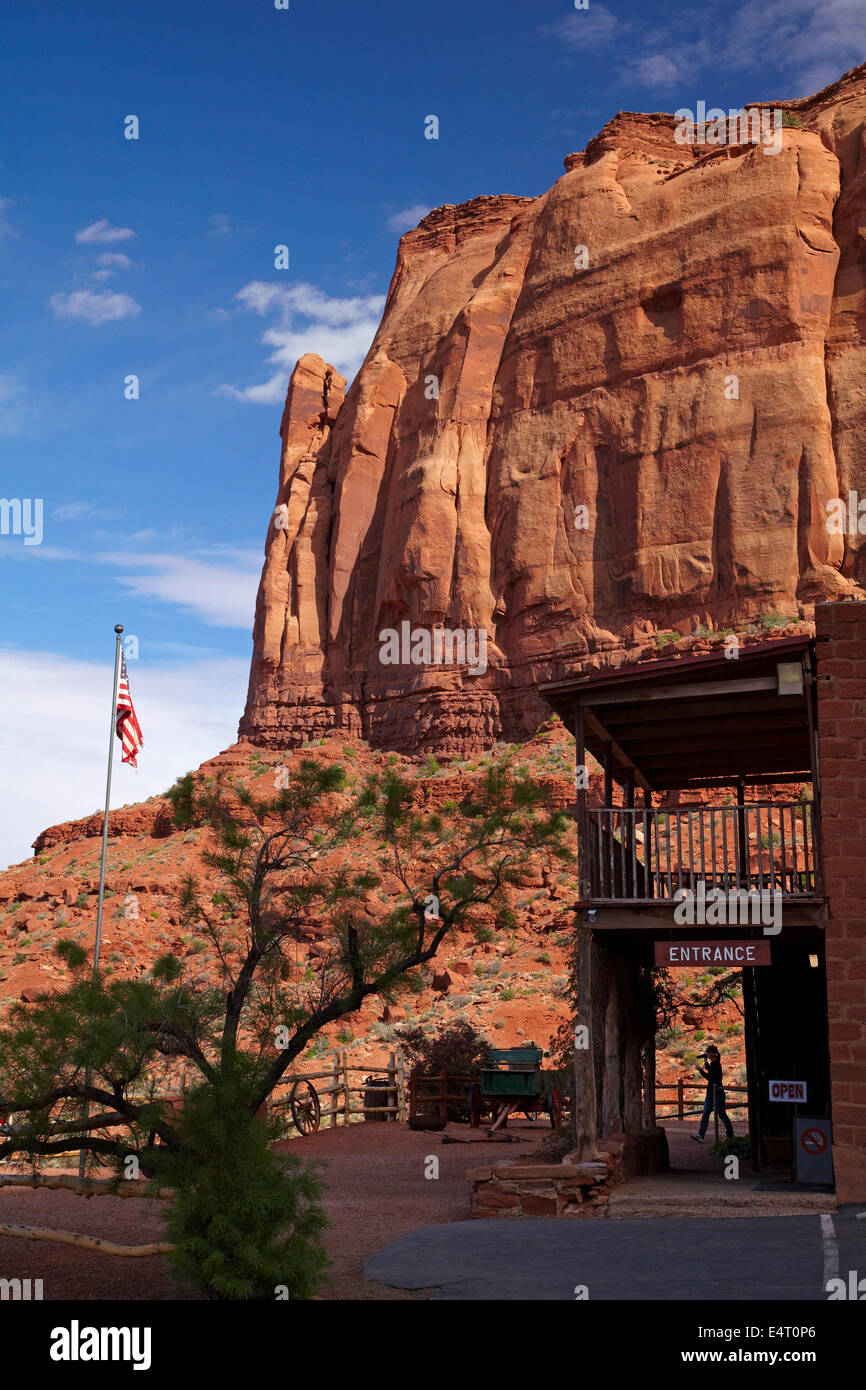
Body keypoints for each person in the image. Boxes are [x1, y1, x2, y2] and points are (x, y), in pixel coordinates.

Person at [691, 1044, 734, 1142]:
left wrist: (701, 1071)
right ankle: (701, 1135)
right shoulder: (715, 1063)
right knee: (710, 1114)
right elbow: (710, 1072)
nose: (708, 1054)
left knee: (719, 1114)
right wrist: (705, 1064)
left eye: (709, 1053)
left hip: (716, 1094)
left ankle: (729, 1135)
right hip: (713, 1093)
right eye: (707, 1053)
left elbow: (710, 1077)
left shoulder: (716, 1064)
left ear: (715, 1054)